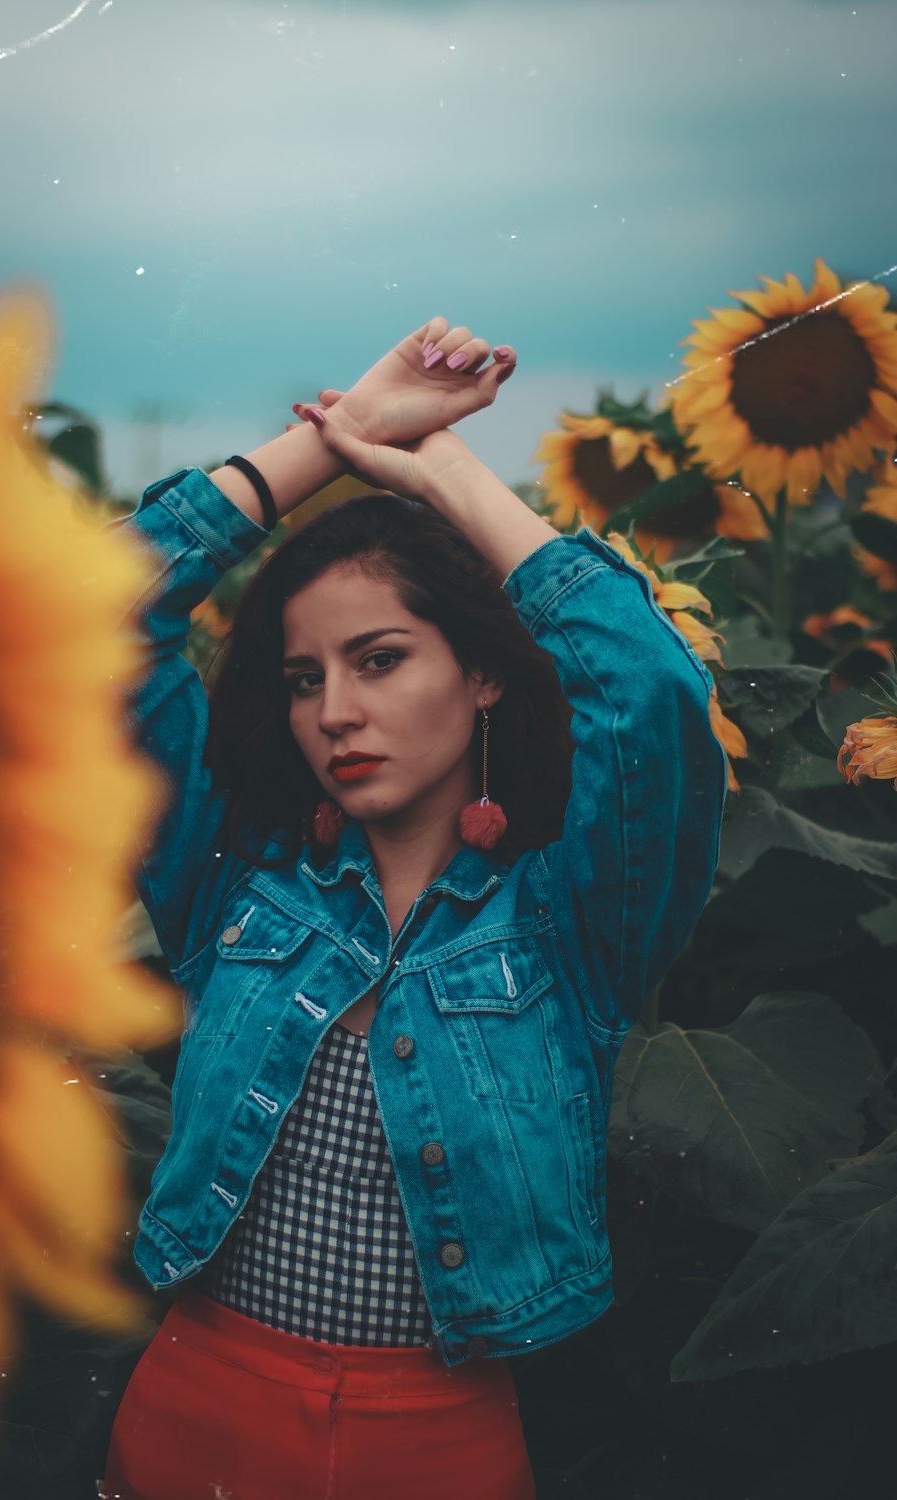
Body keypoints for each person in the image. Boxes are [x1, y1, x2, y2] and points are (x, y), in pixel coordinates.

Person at [98, 319, 727, 1500]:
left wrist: (436, 467)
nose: (334, 709)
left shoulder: (569, 924)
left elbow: (645, 687)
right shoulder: (235, 883)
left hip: (432, 1444)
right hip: (191, 1411)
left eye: (379, 659)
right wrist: (329, 450)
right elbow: (92, 618)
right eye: (303, 678)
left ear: (482, 673)